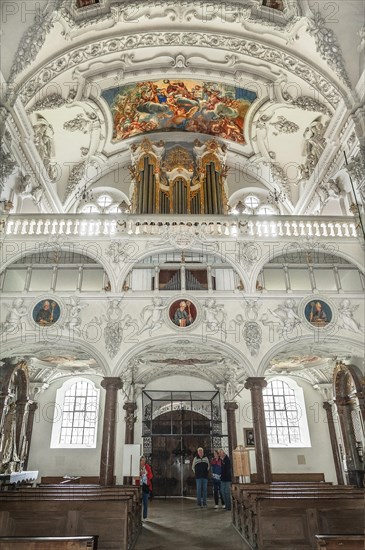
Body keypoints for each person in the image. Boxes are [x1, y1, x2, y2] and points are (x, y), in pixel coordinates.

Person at [139, 456, 153, 522]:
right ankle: (138, 517)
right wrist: (140, 474)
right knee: (138, 503)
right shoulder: (137, 467)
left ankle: (144, 517)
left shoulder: (147, 467)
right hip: (139, 486)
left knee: (145, 503)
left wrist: (146, 473)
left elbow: (151, 476)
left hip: (146, 486)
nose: (143, 462)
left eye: (144, 461)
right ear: (140, 461)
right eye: (141, 460)